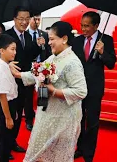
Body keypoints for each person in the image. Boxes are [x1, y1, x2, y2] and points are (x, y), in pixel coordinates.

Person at [10, 21, 88, 162]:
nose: (49, 42)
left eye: (52, 39)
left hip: (64, 119)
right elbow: (37, 73)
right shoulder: (54, 57)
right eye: (49, 39)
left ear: (64, 39)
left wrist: (53, 91)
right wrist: (18, 75)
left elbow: (81, 91)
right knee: (38, 153)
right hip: (47, 114)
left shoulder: (72, 62)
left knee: (57, 157)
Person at [0, 6, 44, 153]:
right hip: (7, 84)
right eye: (21, 19)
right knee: (5, 119)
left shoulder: (28, 36)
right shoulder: (6, 36)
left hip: (23, 83)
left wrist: (39, 46)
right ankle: (1, 148)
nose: (25, 22)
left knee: (18, 114)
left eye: (27, 18)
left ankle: (12, 142)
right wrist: (7, 64)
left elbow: (28, 55)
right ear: (14, 19)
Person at [72, 11, 116, 162]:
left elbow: (111, 63)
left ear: (96, 26)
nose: (83, 29)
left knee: (92, 122)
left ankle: (89, 153)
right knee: (78, 120)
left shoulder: (107, 40)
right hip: (78, 87)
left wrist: (103, 52)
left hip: (95, 89)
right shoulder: (76, 41)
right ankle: (79, 148)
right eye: (82, 26)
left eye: (87, 26)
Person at [0, 34, 18, 161]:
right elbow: (3, 96)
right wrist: (8, 118)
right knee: (5, 140)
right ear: (2, 51)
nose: (14, 52)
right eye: (12, 49)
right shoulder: (1, 70)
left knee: (5, 137)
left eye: (15, 49)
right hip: (4, 106)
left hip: (7, 105)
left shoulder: (6, 65)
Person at [25, 13, 52, 131]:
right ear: (29, 19)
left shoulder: (44, 35)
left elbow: (49, 52)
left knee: (43, 93)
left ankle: (42, 117)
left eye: (38, 19)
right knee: (28, 96)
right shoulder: (25, 35)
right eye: (35, 19)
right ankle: (29, 120)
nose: (37, 21)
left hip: (42, 67)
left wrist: (44, 46)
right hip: (29, 67)